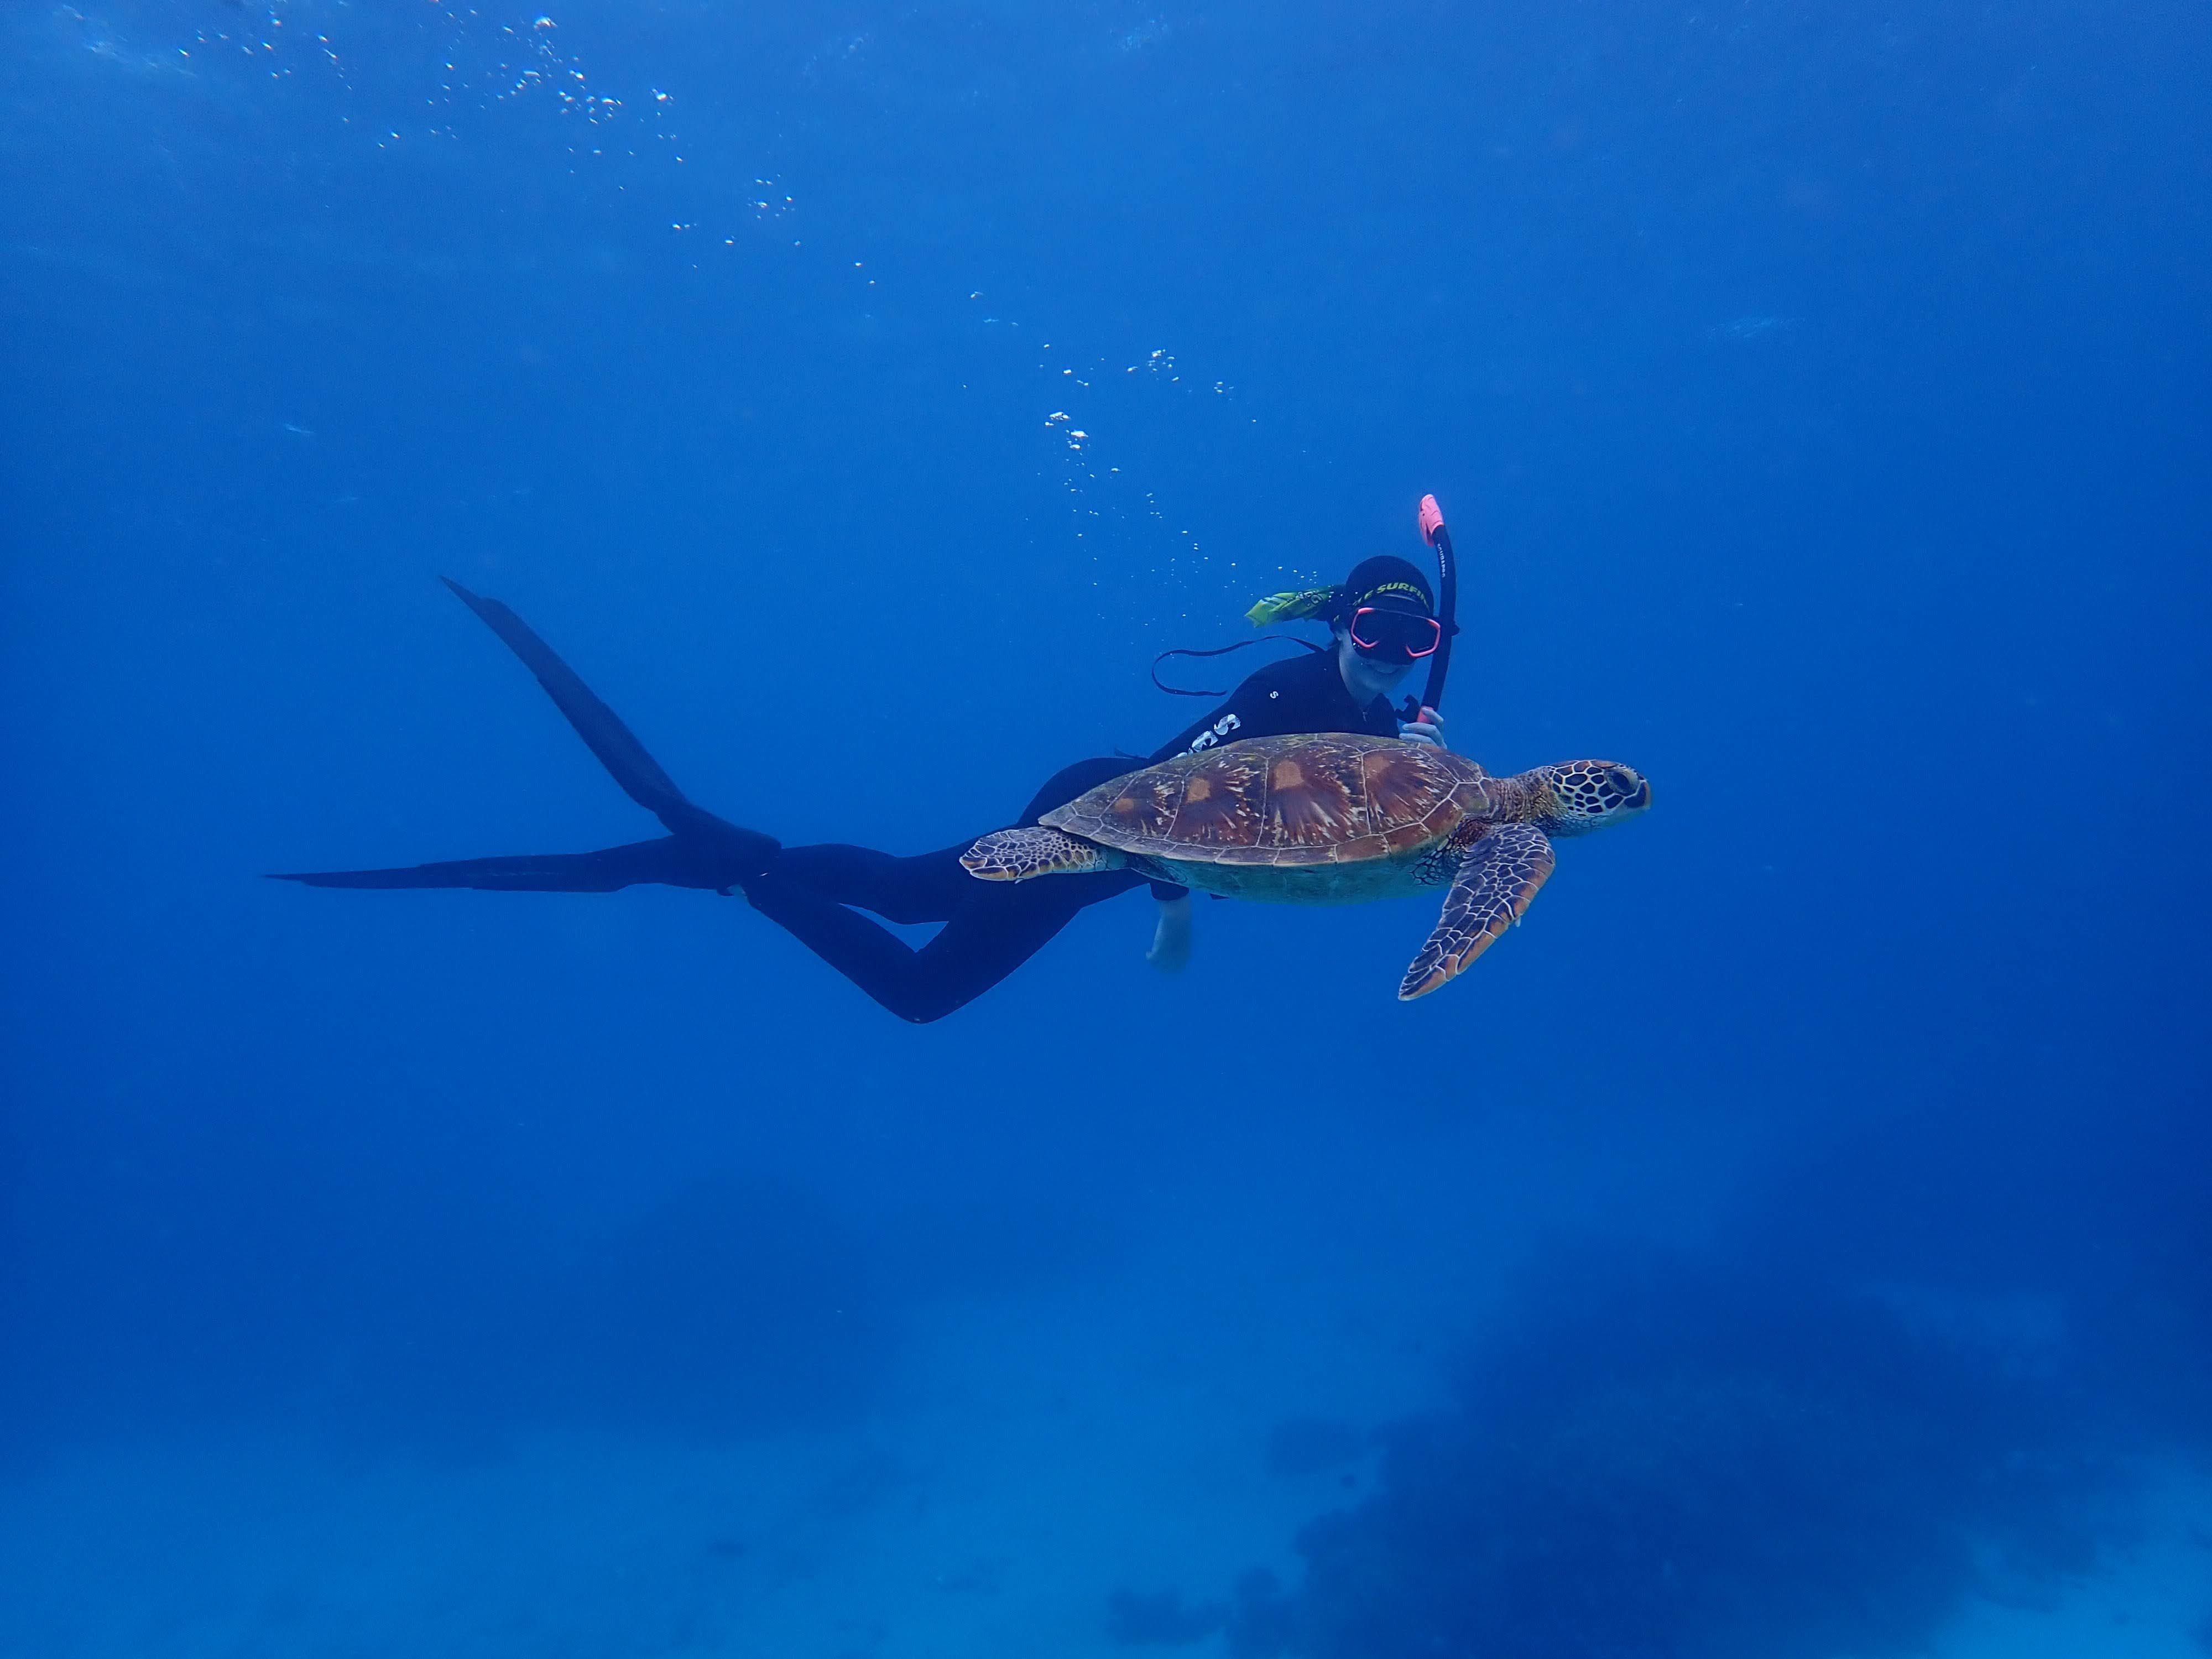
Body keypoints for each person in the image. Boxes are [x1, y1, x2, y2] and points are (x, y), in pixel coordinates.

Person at [274, 556, 1452, 1022]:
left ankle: (732, 859)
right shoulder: (1287, 694)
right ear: (1337, 625)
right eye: (1370, 629)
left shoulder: (1378, 720)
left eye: (1412, 638)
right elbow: (1180, 789)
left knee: (907, 906)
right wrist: (1171, 900)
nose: (1391, 653)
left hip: (1117, 855)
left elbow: (1272, 830)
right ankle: (727, 861)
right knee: (913, 956)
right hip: (1094, 824)